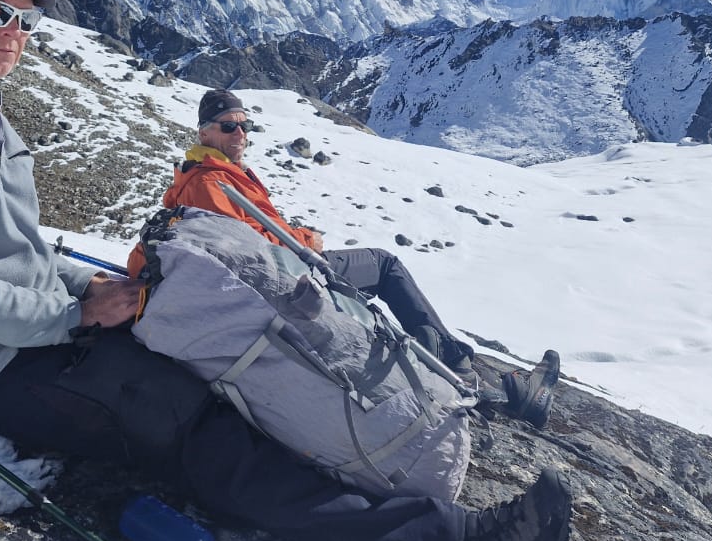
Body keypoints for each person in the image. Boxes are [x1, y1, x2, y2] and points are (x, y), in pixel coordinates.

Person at [0, 0, 573, 541]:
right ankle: (448, 533)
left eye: (26, 20)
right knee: (192, 423)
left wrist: (84, 290)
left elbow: (16, 253)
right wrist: (75, 315)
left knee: (203, 366)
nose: (15, 32)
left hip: (18, 334)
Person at [128, 88, 560, 429]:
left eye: (245, 125)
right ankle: (459, 367)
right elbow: (244, 249)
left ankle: (445, 360)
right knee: (385, 265)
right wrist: (306, 241)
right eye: (228, 126)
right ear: (204, 133)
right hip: (286, 273)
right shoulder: (210, 183)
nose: (240, 134)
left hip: (283, 265)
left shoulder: (215, 173)